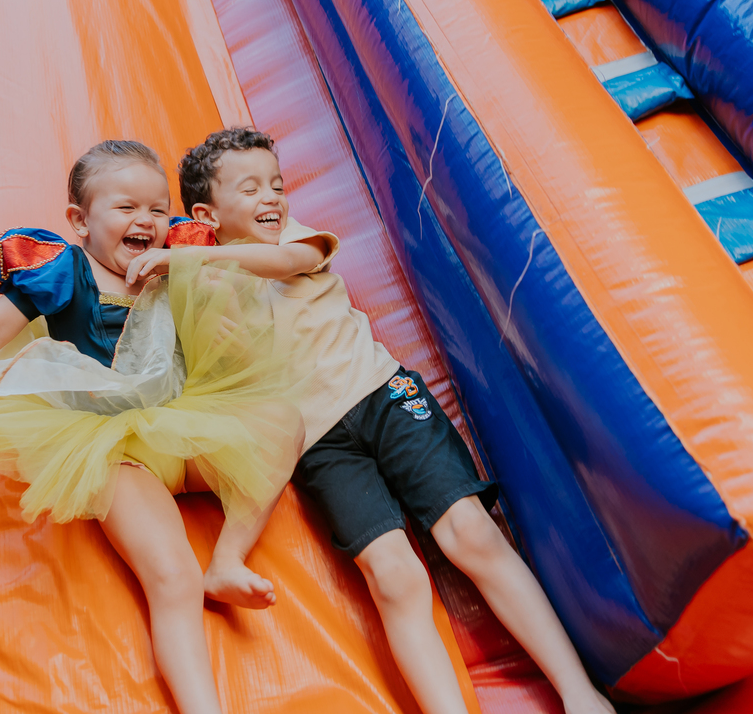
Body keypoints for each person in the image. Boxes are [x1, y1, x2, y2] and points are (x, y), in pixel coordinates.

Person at [127, 128, 616, 714]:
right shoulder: (203, 287)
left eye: (277, 185)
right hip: (318, 445)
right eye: (251, 188)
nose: (272, 199)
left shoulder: (296, 238)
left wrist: (193, 255)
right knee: (393, 578)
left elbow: (284, 262)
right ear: (207, 212)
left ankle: (578, 692)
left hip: (383, 396)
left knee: (473, 535)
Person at [0, 140, 303, 714]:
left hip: (180, 426)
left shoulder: (173, 260)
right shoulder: (65, 270)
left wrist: (214, 310)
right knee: (173, 576)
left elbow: (224, 315)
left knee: (284, 422)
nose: (147, 222)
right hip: (110, 446)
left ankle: (228, 560)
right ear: (81, 221)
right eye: (126, 208)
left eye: (158, 209)